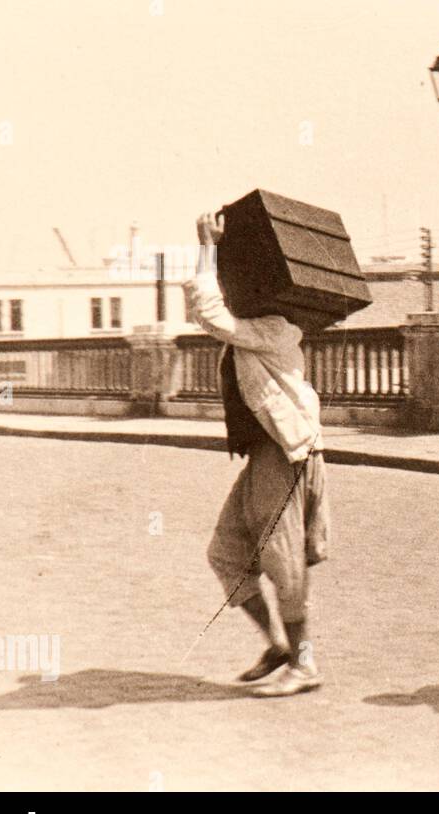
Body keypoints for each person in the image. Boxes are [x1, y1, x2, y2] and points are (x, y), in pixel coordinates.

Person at [185, 212, 330, 698]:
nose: (228, 286)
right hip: (264, 456)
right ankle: (277, 647)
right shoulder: (255, 326)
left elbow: (208, 314)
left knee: (283, 563)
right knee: (226, 552)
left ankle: (305, 664)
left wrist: (206, 247)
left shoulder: (273, 326)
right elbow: (214, 318)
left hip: (285, 455)